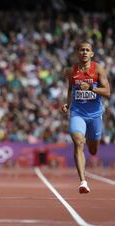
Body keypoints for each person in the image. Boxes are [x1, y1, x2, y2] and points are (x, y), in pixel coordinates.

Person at [61, 40, 110, 194]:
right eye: (81, 50)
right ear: (78, 53)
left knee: (93, 149)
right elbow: (70, 89)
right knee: (78, 141)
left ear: (92, 53)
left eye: (87, 50)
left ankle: (91, 143)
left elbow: (107, 92)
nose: (84, 52)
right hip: (78, 113)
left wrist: (90, 87)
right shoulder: (70, 71)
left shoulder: (99, 69)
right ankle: (83, 182)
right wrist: (68, 104)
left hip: (95, 114)